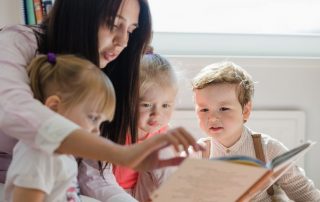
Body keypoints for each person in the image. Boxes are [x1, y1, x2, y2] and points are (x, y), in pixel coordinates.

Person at [0, 0, 202, 187]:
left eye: (131, 31)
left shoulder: (101, 70)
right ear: (80, 14)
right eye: (114, 25)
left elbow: (94, 174)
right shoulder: (18, 41)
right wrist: (121, 154)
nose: (123, 42)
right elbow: (12, 108)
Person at [191, 61, 320, 201]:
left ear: (245, 111)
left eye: (223, 108)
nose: (212, 118)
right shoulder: (197, 153)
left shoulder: (268, 148)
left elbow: (303, 191)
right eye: (204, 110)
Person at [4, 54, 116, 201]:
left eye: (101, 122)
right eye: (93, 118)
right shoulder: (40, 156)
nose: (97, 130)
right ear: (54, 107)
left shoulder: (62, 153)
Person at [79, 53, 179, 201]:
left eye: (165, 105)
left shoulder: (164, 133)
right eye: (146, 105)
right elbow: (95, 179)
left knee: (165, 150)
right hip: (112, 193)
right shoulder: (111, 130)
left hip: (143, 192)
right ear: (128, 103)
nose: (156, 114)